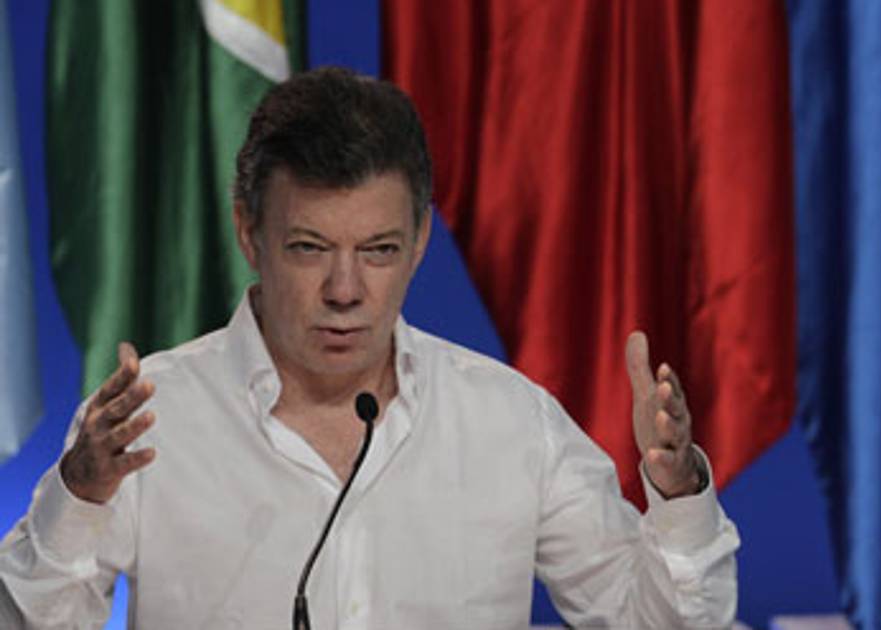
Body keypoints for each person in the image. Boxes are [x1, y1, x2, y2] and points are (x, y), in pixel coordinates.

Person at [0, 66, 739, 628]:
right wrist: (79, 497)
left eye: (379, 250)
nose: (345, 290)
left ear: (419, 240)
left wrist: (676, 493)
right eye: (310, 247)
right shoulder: (149, 424)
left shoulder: (512, 422)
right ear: (249, 233)